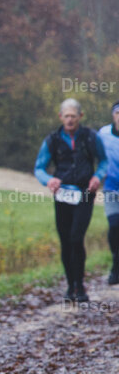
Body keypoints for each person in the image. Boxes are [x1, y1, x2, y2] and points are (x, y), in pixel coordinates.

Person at [33, 98, 106, 302]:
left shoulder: (90, 137)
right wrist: (49, 180)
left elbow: (104, 161)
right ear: (60, 117)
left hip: (84, 192)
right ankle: (70, 285)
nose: (70, 120)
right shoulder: (52, 139)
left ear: (80, 117)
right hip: (63, 194)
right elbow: (39, 168)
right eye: (66, 116)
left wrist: (97, 177)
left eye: (74, 116)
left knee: (76, 237)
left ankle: (80, 285)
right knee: (65, 241)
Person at [96, 100, 119, 285]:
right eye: (118, 113)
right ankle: (116, 266)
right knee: (114, 227)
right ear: (113, 115)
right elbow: (93, 154)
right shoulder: (103, 134)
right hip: (111, 187)